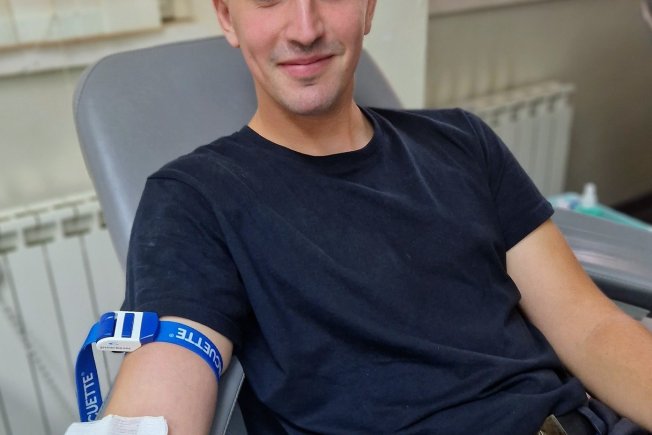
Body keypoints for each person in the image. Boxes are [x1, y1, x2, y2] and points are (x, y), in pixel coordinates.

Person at [101, 0, 652, 433]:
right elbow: (161, 389)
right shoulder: (195, 199)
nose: (305, 28)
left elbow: (591, 327)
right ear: (227, 15)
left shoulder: (463, 144)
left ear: (368, 6)